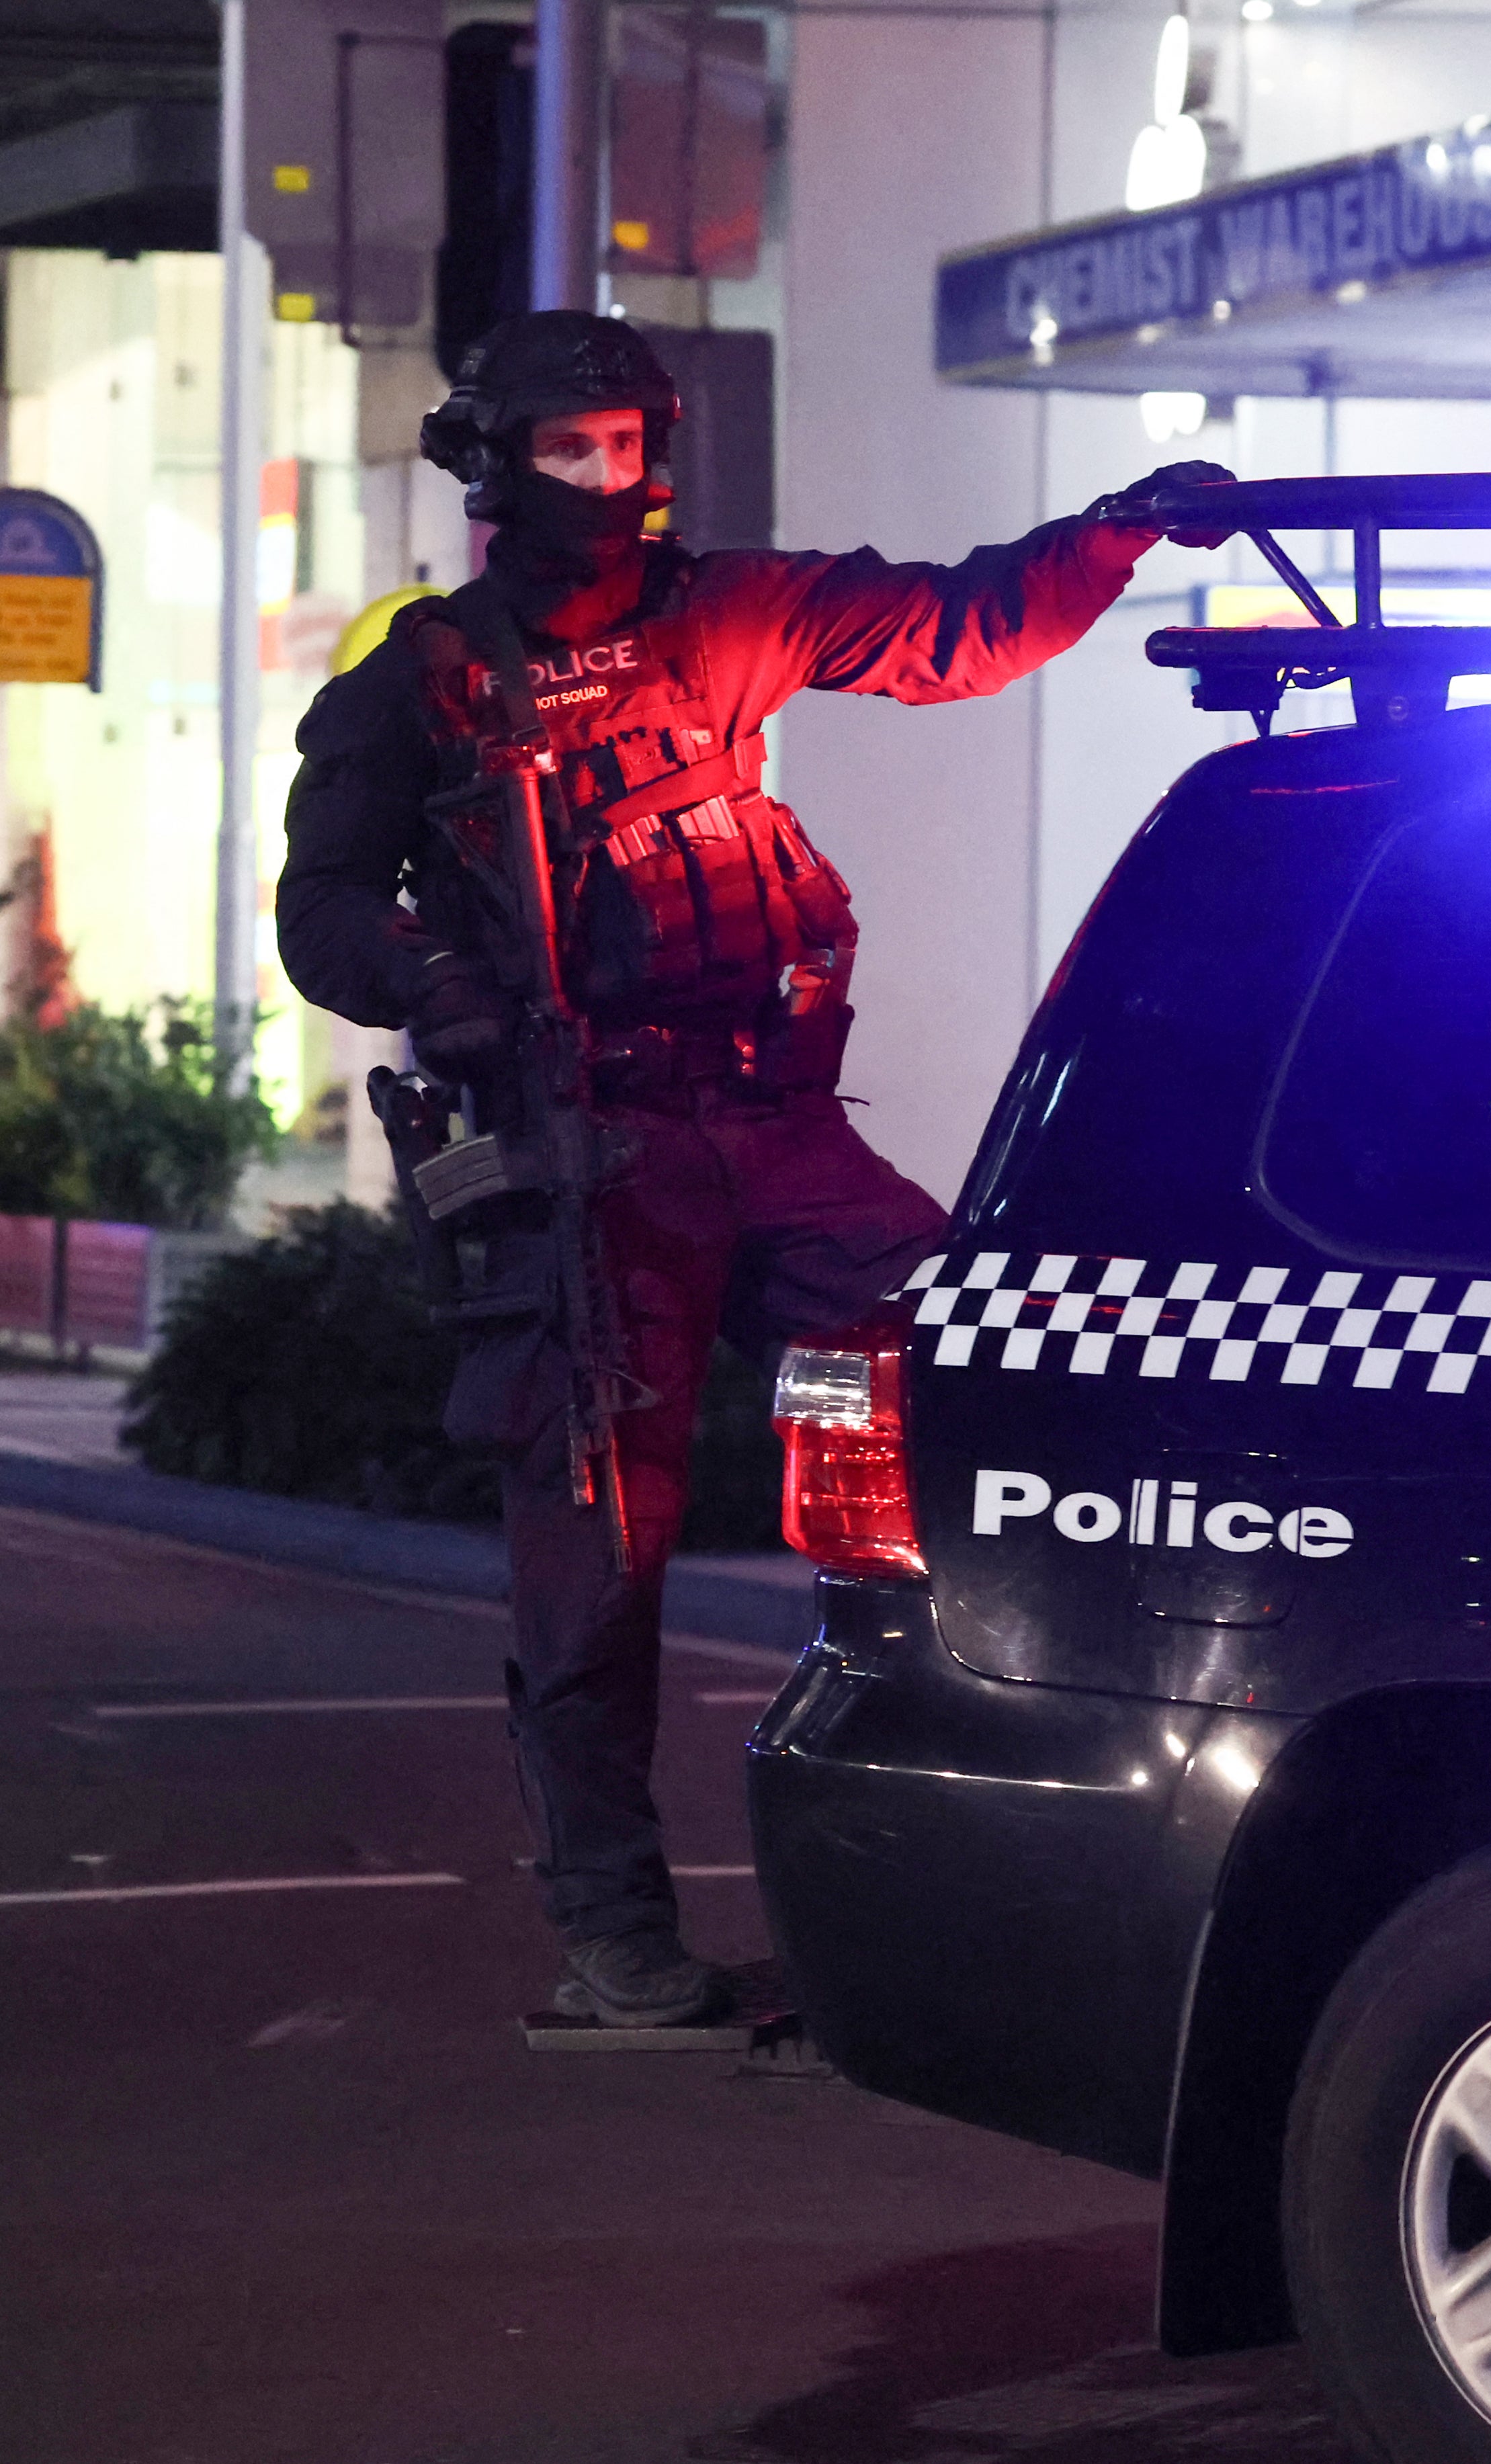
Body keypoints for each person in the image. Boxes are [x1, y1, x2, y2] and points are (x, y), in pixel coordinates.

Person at [277, 310, 1230, 2028]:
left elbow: (958, 628)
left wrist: (1123, 528)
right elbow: (322, 907)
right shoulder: (421, 680)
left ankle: (998, 1888)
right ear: (495, 466)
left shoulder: (731, 611)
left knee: (981, 1376)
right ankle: (612, 1930)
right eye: (575, 449)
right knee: (598, 1555)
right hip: (594, 1160)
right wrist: (437, 980)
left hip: (777, 1129)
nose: (613, 478)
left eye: (634, 444)